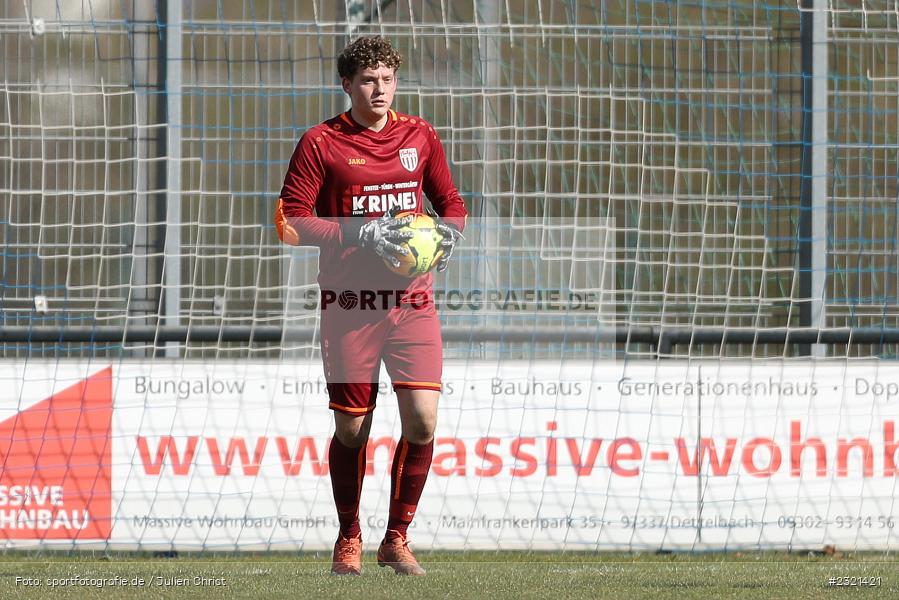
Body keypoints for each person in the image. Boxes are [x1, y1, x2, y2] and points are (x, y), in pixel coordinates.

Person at [274, 36, 467, 576]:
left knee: (424, 422)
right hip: (350, 305)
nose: (378, 89)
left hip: (412, 303)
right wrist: (365, 234)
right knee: (353, 430)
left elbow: (450, 202)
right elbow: (290, 222)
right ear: (346, 85)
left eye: (386, 79)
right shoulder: (321, 142)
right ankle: (349, 535)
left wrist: (448, 233)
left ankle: (396, 539)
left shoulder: (420, 135)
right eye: (367, 80)